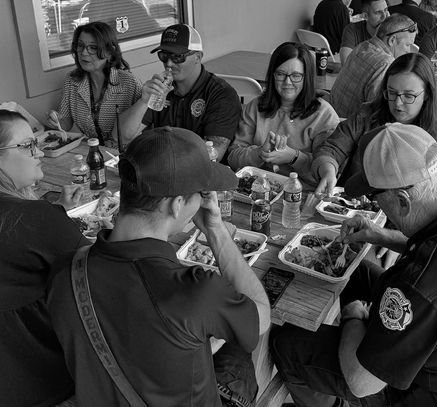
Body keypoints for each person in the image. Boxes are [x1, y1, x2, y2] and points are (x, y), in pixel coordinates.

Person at [271, 122, 437, 407]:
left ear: (403, 201)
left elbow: (361, 383)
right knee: (354, 272)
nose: (376, 205)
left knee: (287, 342)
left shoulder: (422, 285)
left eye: (376, 197)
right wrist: (379, 234)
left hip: (425, 393)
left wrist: (353, 317)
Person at [47, 127, 271, 406]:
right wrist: (216, 231)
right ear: (177, 204)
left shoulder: (65, 269)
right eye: (200, 193)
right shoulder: (196, 291)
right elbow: (261, 318)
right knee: (241, 355)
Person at [0, 110, 88, 407]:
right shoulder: (35, 220)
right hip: (48, 382)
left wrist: (56, 210)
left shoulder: (33, 218)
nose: (38, 151)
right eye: (26, 146)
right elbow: (104, 273)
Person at [314, 52, 437, 196]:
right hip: (355, 204)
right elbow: (333, 147)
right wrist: (328, 170)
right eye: (392, 93)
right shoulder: (368, 115)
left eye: (409, 95)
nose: (397, 103)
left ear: (427, 94)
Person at [119, 24, 241, 162]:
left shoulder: (222, 95)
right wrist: (143, 101)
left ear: (198, 57)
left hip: (200, 176)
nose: (169, 63)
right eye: (164, 55)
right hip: (161, 167)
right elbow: (122, 137)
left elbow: (213, 156)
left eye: (177, 57)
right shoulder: (161, 88)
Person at [227, 42, 340, 188]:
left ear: (307, 78)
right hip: (256, 191)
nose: (287, 82)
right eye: (280, 74)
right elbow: (233, 157)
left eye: (296, 76)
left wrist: (293, 157)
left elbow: (326, 173)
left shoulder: (323, 115)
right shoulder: (256, 107)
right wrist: (259, 153)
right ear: (272, 75)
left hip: (301, 195)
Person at [46, 21, 142, 147]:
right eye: (80, 45)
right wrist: (55, 121)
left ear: (109, 52)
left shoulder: (129, 82)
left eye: (93, 47)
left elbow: (145, 124)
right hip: (93, 152)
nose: (84, 53)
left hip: (128, 153)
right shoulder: (72, 80)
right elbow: (66, 123)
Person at [329, 13, 417, 118]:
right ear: (392, 40)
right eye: (407, 45)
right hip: (349, 125)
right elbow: (375, 112)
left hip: (332, 113)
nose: (409, 51)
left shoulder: (362, 46)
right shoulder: (385, 64)